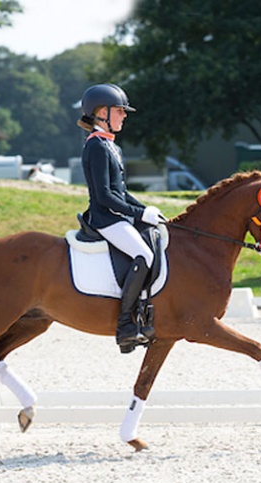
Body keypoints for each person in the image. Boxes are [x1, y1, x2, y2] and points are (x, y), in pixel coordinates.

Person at [77, 83, 167, 353]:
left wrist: (146, 210)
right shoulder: (96, 147)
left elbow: (123, 193)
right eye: (119, 111)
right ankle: (125, 325)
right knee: (144, 255)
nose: (124, 116)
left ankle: (145, 311)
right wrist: (139, 214)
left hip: (118, 216)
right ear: (101, 112)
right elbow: (104, 196)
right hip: (105, 219)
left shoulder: (110, 146)